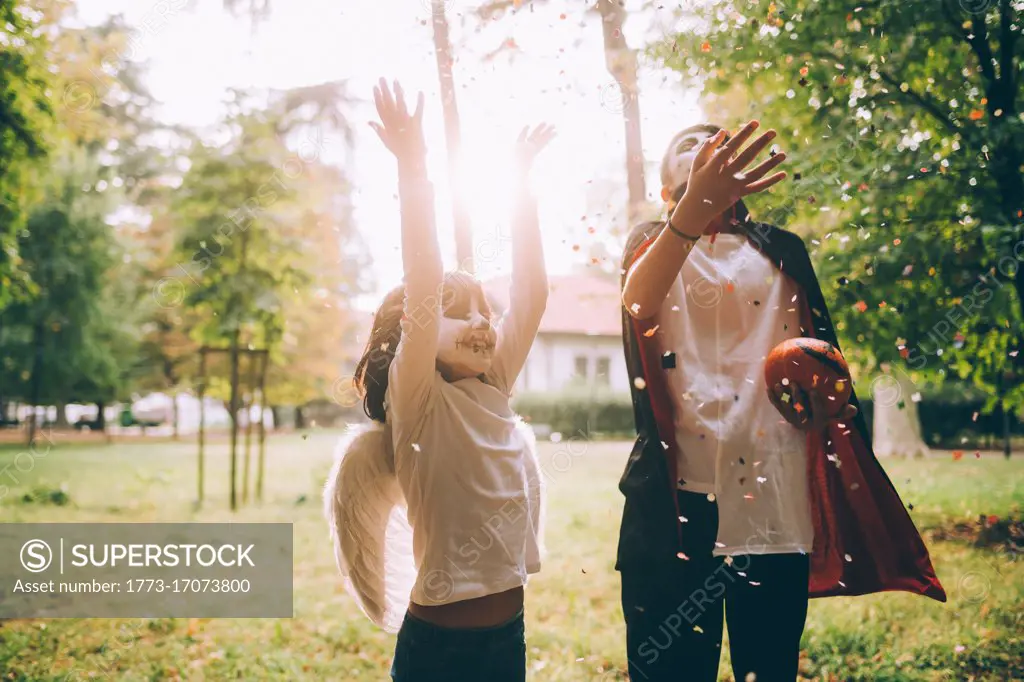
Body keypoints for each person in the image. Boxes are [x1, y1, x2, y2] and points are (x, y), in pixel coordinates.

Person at [616, 121, 946, 682]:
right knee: (668, 669)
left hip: (774, 494)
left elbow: (824, 361)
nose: (702, 147)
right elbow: (639, 302)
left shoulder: (783, 251)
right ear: (669, 179)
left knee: (768, 668)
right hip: (675, 505)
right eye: (686, 145)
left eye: (714, 140)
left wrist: (833, 405)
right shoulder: (652, 240)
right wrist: (694, 209)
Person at [323, 79, 555, 682]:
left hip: (507, 639)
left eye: (484, 310)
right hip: (435, 650)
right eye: (460, 312)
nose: (482, 321)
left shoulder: (494, 386)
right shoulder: (420, 401)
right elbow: (423, 277)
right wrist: (414, 167)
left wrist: (521, 185)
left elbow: (532, 292)